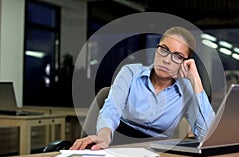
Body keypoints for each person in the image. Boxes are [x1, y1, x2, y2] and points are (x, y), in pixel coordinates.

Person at [70, 26, 215, 150]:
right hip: (118, 144)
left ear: (186, 62)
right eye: (164, 49)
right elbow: (111, 110)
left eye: (177, 56)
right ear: (157, 48)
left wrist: (196, 80)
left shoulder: (187, 92)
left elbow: (208, 136)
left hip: (155, 152)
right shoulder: (130, 73)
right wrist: (104, 137)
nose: (166, 59)